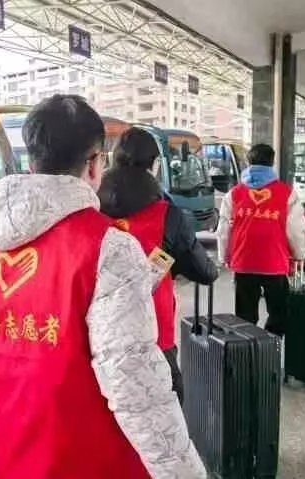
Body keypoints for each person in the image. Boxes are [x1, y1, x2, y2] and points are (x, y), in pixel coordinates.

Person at [0, 95, 205, 479]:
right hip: (91, 460)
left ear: (32, 160)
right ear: (93, 163)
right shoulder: (107, 247)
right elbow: (134, 385)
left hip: (13, 452)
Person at [98, 127, 218, 404]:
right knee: (166, 412)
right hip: (153, 338)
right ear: (154, 165)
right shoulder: (167, 214)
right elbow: (204, 271)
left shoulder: (90, 208)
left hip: (99, 337)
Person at [217, 143, 305, 335]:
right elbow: (296, 230)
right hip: (275, 262)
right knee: (278, 312)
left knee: (245, 316)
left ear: (248, 162)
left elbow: (224, 230)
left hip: (244, 262)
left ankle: (248, 348)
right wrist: (299, 254)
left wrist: (223, 256)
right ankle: (271, 345)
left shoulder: (234, 194)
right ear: (272, 162)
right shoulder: (286, 193)